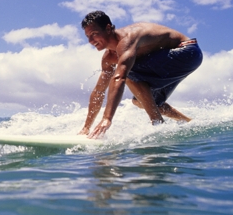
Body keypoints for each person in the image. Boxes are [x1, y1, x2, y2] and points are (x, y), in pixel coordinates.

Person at [79, 11, 203, 139]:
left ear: (108, 28)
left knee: (126, 73)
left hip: (187, 51)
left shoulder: (127, 39)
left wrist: (107, 119)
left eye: (94, 34)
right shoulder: (109, 57)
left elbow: (119, 78)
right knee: (142, 101)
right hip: (175, 59)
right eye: (88, 36)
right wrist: (86, 127)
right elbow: (99, 91)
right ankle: (189, 123)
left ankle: (157, 123)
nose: (90, 41)